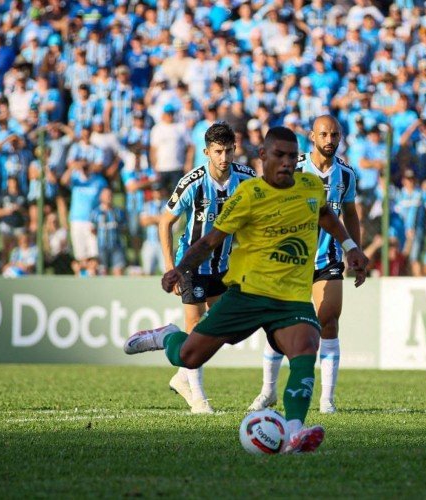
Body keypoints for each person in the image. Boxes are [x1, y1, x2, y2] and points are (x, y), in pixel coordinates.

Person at [123, 127, 369, 453]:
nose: (286, 163)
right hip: (246, 293)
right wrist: (179, 269)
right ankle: (167, 336)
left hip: (291, 296)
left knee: (306, 346)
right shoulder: (248, 194)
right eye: (278, 155)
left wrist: (351, 246)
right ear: (263, 157)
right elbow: (210, 240)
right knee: (189, 354)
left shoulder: (310, 186)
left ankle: (295, 430)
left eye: (292, 156)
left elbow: (326, 215)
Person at [250, 115, 359, 415]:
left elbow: (350, 215)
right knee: (277, 325)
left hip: (329, 258)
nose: (330, 140)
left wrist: (355, 251)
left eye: (335, 134)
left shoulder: (347, 174)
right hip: (290, 259)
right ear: (312, 136)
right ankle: (268, 391)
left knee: (329, 320)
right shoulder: (293, 168)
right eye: (324, 134)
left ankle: (327, 400)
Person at [154, 122, 255, 414]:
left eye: (228, 151)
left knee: (226, 330)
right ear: (206, 152)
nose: (224, 157)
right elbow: (165, 222)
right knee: (196, 327)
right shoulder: (193, 182)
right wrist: (171, 267)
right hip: (192, 265)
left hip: (224, 267)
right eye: (218, 151)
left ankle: (182, 372)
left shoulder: (247, 179)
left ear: (235, 149)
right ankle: (198, 398)